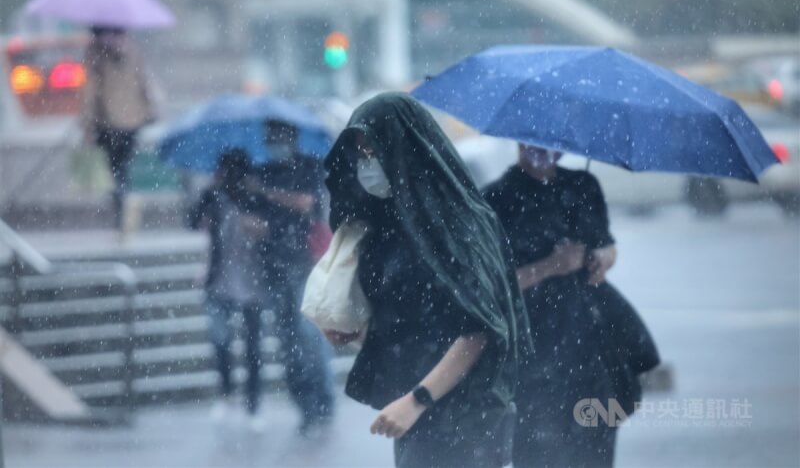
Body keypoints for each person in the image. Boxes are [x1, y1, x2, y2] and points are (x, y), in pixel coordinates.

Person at [323, 93, 531, 468]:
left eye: (375, 149)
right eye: (361, 153)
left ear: (404, 148)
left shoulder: (458, 223)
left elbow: (479, 330)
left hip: (466, 419)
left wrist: (416, 400)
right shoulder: (398, 227)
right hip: (422, 418)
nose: (367, 163)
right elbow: (416, 322)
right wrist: (358, 333)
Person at [483, 144, 660, 468]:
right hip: (534, 359)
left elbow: (606, 246)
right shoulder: (496, 199)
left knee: (596, 451)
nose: (542, 149)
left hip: (591, 350)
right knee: (541, 454)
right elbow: (492, 289)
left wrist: (602, 259)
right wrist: (551, 266)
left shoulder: (583, 186)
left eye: (550, 142)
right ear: (519, 140)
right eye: (533, 140)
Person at [247, 119, 335, 434]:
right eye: (270, 137)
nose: (275, 142)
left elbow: (306, 203)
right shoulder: (262, 170)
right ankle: (305, 406)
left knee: (307, 335)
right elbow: (253, 216)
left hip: (305, 263)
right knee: (287, 339)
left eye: (279, 137)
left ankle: (323, 401)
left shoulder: (308, 167)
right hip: (272, 264)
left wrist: (266, 193)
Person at [188, 149, 269, 428]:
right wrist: (208, 192)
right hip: (218, 281)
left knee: (253, 347)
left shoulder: (257, 199)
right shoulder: (213, 197)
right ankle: (225, 396)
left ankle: (254, 404)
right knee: (220, 341)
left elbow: (275, 233)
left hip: (253, 282)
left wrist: (261, 228)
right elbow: (190, 221)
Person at [80, 26, 155, 231]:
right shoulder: (132, 50)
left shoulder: (96, 53)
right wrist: (149, 111)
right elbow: (144, 83)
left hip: (108, 123)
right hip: (132, 121)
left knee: (112, 171)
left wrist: (86, 121)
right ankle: (126, 200)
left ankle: (121, 208)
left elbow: (90, 91)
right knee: (123, 167)